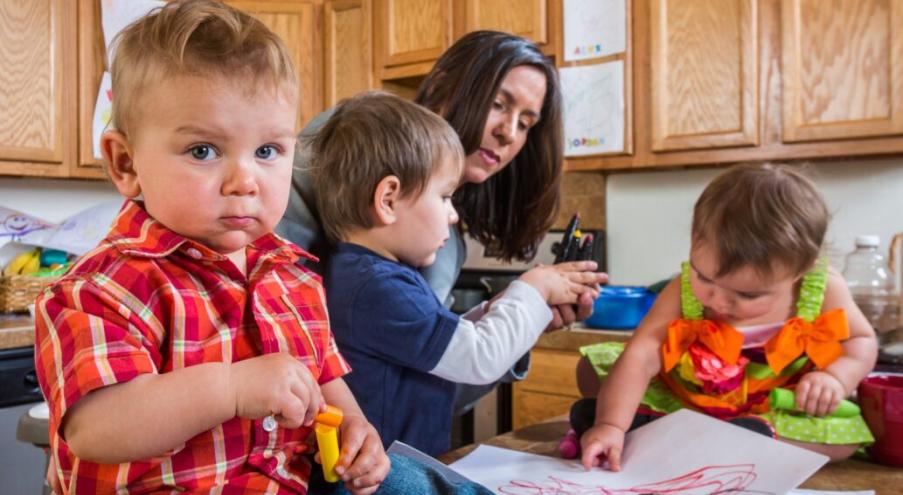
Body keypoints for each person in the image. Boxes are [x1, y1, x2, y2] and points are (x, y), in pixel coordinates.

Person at [31, 3, 487, 494]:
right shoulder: (102, 288)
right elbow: (96, 428)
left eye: (267, 151)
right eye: (203, 150)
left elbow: (325, 378)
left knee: (423, 484)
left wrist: (358, 429)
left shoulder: (294, 274)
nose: (244, 180)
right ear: (126, 163)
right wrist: (232, 388)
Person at [277, 32, 597, 414]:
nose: (508, 133)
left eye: (526, 123)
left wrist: (514, 322)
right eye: (497, 104)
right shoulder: (351, 141)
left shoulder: (443, 248)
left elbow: (429, 381)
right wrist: (519, 307)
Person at [308, 92, 607, 456]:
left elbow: (440, 340)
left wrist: (499, 310)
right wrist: (534, 288)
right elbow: (478, 357)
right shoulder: (377, 286)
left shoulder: (369, 274)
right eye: (445, 196)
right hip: (390, 478)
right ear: (388, 200)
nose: (454, 215)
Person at [573, 163, 878, 471]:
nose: (717, 301)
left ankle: (744, 438)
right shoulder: (683, 288)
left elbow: (862, 340)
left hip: (773, 409)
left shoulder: (822, 288)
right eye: (704, 277)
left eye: (748, 295)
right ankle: (636, 425)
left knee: (845, 442)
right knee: (592, 367)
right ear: (694, 239)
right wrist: (611, 424)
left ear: (802, 269)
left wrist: (835, 377)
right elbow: (641, 354)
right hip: (691, 401)